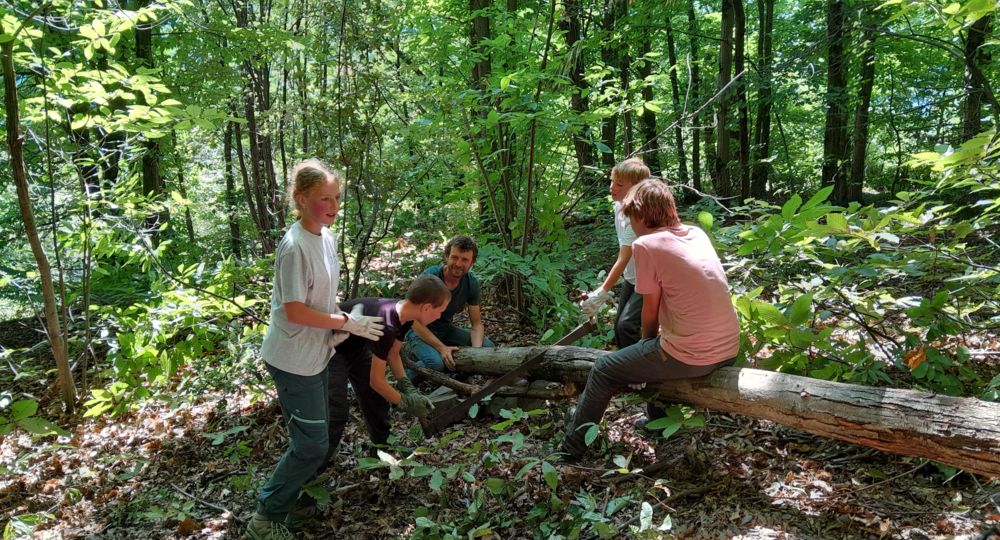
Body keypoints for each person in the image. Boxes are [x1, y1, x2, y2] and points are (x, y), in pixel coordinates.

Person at [247, 160, 387, 540]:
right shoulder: (294, 246)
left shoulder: (325, 237)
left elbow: (321, 300)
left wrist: (341, 324)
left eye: (337, 197)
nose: (333, 205)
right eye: (324, 198)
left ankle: (291, 501)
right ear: (301, 198)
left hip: (318, 354)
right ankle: (265, 517)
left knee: (319, 434)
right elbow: (293, 310)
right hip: (293, 362)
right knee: (311, 445)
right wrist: (345, 323)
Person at [561, 179, 740, 460]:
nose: (631, 225)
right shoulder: (696, 234)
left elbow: (650, 310)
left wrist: (642, 348)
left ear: (643, 216)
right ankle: (658, 423)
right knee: (644, 359)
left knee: (604, 368)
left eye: (631, 217)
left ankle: (571, 450)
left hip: (695, 354)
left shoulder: (646, 244)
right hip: (728, 348)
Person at [326, 275, 448, 458]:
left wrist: (406, 386)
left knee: (375, 399)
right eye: (440, 311)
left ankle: (383, 445)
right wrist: (406, 403)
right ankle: (317, 462)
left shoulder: (406, 316)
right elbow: (377, 381)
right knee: (336, 411)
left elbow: (393, 353)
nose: (440, 316)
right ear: (426, 307)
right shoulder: (387, 323)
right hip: (328, 350)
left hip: (355, 348)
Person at [579, 157, 651, 348]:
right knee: (619, 326)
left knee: (627, 326)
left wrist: (602, 292)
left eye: (619, 184)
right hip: (632, 277)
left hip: (649, 278)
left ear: (636, 188)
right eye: (612, 181)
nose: (612, 187)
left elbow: (623, 257)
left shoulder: (636, 216)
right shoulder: (619, 206)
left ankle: (636, 370)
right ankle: (625, 367)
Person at [404, 235, 493, 380]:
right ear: (447, 256)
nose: (458, 263)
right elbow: (411, 318)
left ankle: (438, 357)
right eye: (455, 257)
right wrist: (441, 348)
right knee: (436, 364)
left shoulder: (471, 283)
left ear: (472, 262)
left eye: (465, 259)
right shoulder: (430, 277)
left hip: (445, 330)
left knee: (487, 346)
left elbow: (477, 324)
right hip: (417, 330)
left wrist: (477, 354)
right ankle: (401, 383)